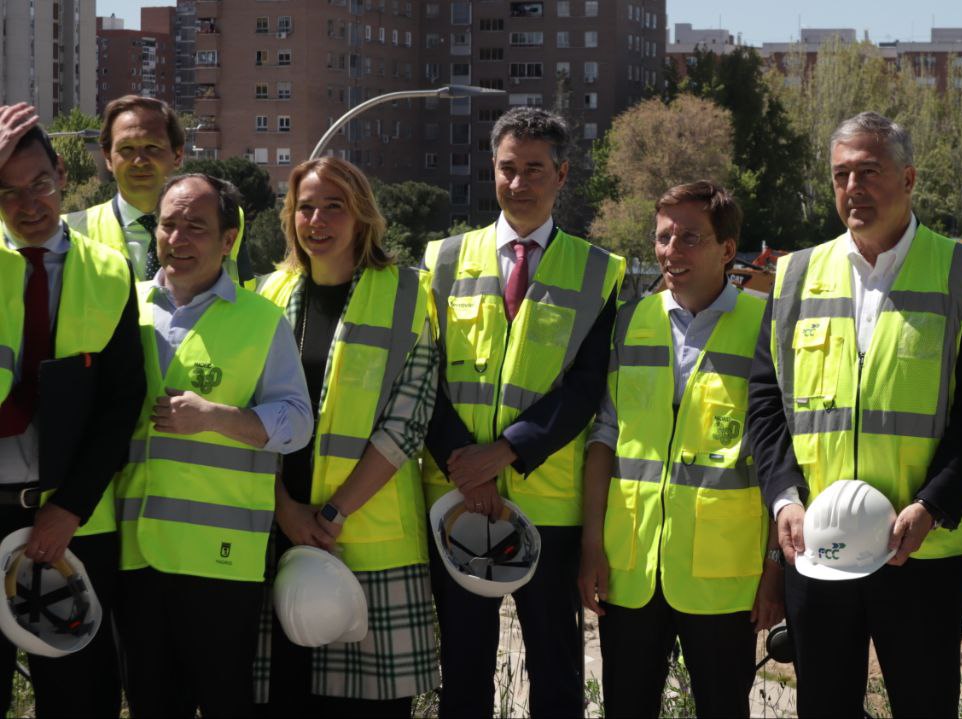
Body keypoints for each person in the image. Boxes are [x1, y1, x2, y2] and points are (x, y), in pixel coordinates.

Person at [745, 111, 962, 717]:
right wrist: (784, 498)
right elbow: (766, 399)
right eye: (841, 175)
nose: (853, 188)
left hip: (919, 549)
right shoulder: (794, 276)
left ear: (909, 178)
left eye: (868, 172)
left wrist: (933, 505)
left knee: (925, 703)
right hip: (819, 544)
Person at [421, 106, 624, 717]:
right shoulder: (442, 260)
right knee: (462, 671)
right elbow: (422, 374)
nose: (519, 182)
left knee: (556, 672)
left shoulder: (600, 271)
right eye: (508, 168)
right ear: (492, 169)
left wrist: (504, 453)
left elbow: (585, 389)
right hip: (456, 498)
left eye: (535, 169)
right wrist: (466, 468)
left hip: (548, 507)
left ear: (562, 175)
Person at [578, 181, 784, 717]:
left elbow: (780, 459)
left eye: (690, 237)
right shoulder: (629, 322)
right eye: (664, 237)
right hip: (631, 570)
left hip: (725, 579)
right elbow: (604, 439)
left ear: (727, 248)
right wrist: (592, 545)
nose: (671, 250)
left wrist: (774, 568)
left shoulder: (766, 325)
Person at [112, 173, 312, 718]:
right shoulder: (125, 308)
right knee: (151, 704)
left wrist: (216, 418)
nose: (177, 239)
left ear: (228, 239)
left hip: (221, 563)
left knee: (226, 704)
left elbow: (298, 422)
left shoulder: (261, 320)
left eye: (195, 227)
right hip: (136, 553)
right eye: (168, 225)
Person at [253, 156, 439, 717]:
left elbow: (406, 425)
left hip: (367, 542)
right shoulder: (264, 295)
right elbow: (249, 418)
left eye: (334, 206)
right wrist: (285, 509)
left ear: (362, 216)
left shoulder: (409, 293)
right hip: (277, 534)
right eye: (305, 207)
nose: (318, 220)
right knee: (284, 699)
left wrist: (331, 516)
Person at [0, 105, 144, 717]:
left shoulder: (109, 272)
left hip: (73, 520)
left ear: (62, 173)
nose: (28, 204)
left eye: (39, 183)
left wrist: (70, 507)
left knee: (80, 698)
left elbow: (121, 404)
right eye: (7, 191)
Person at [64, 94, 251, 283]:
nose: (139, 161)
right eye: (126, 149)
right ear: (108, 158)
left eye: (152, 147)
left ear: (178, 155)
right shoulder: (69, 232)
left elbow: (243, 292)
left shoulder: (224, 218)